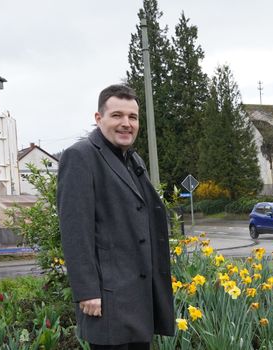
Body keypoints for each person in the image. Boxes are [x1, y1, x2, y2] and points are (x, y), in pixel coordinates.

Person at [57, 84, 174, 349]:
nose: (126, 124)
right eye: (117, 115)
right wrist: (87, 291)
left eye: (132, 117)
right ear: (99, 119)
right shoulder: (81, 157)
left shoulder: (134, 161)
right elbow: (75, 230)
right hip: (108, 299)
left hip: (139, 297)